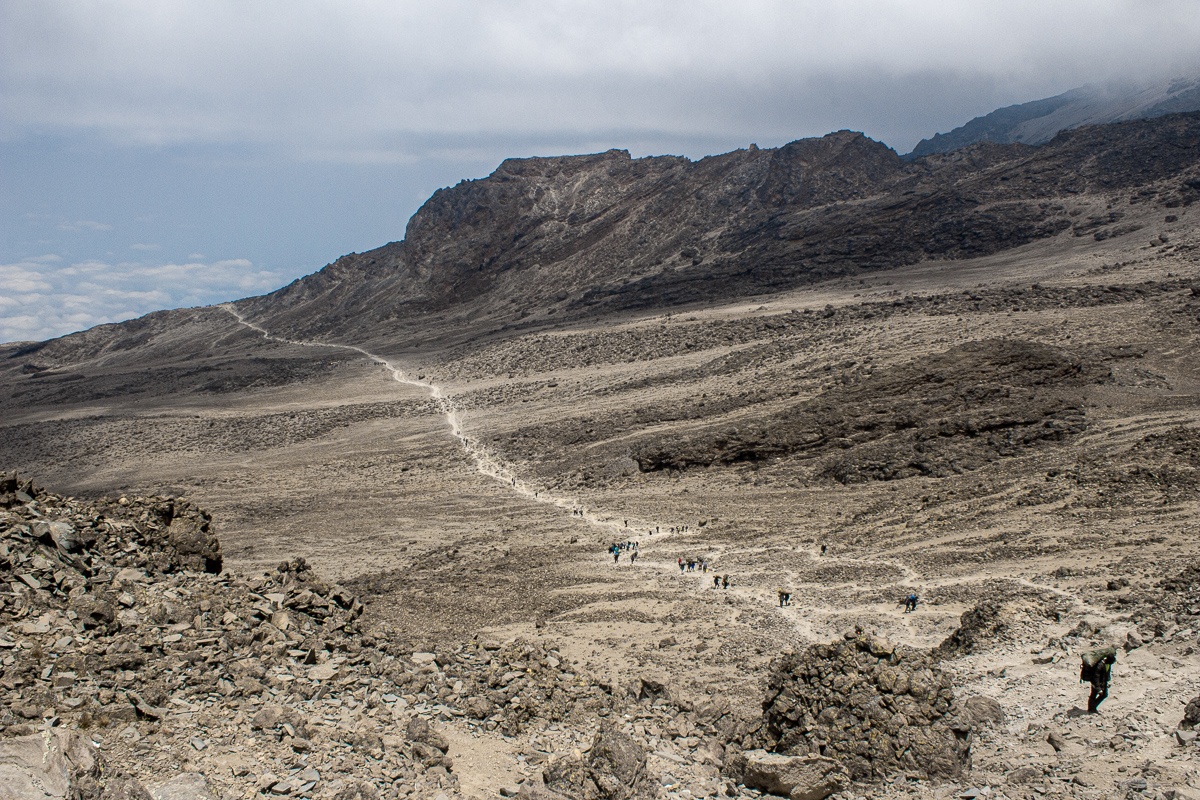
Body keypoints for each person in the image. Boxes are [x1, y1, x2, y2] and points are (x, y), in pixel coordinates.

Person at [1082, 647, 1117, 713]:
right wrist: (1098, 688)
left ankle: (1093, 707)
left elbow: (1107, 673)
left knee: (1104, 695)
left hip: (1103, 682)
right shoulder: (1100, 665)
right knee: (1094, 695)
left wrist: (1107, 681)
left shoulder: (1108, 664)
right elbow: (1096, 677)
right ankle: (1091, 709)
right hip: (1096, 682)